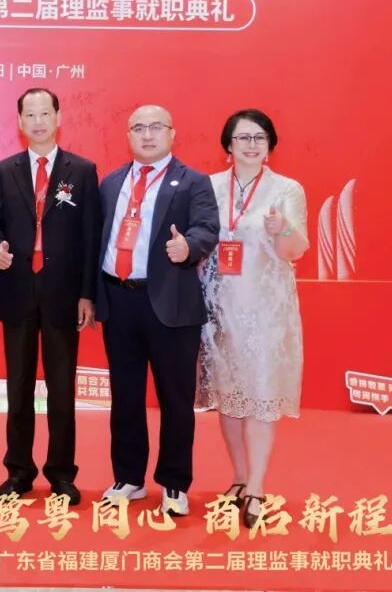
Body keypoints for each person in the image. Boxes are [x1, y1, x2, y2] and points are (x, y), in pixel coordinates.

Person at [96, 104, 219, 517]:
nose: (147, 135)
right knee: (125, 396)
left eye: (155, 127)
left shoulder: (193, 181)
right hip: (119, 299)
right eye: (138, 128)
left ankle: (174, 482)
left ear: (172, 133)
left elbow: (207, 228)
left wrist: (189, 247)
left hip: (171, 303)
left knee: (175, 398)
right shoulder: (112, 182)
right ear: (128, 136)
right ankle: (129, 477)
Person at [0, 87, 101, 506]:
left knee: (61, 390)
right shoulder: (4, 170)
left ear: (58, 117)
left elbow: (91, 238)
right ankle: (18, 471)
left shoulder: (81, 171)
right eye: (29, 115)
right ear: (19, 122)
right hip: (18, 289)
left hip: (62, 294)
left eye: (44, 113)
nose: (37, 121)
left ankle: (62, 473)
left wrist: (87, 294)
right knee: (18, 388)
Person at [197, 108, 308, 528]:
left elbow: (296, 250)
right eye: (242, 138)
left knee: (260, 395)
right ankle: (240, 477)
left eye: (259, 138)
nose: (251, 145)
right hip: (219, 309)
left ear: (270, 145)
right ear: (228, 145)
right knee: (229, 396)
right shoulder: (209, 186)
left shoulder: (286, 189)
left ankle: (257, 486)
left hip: (266, 311)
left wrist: (282, 229)